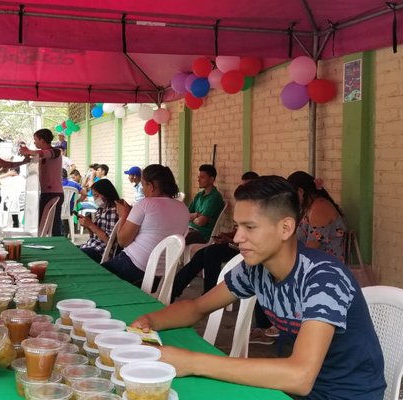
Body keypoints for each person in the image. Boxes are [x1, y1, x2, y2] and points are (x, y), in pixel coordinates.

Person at [131, 176, 385, 399]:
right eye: (238, 226)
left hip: (344, 394)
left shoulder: (323, 278)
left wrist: (192, 362)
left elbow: (300, 376)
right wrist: (149, 321)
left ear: (286, 228)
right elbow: (197, 307)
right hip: (289, 389)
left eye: (249, 227)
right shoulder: (256, 270)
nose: (238, 237)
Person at [171, 171, 258, 301]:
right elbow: (239, 230)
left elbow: (254, 237)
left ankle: (209, 294)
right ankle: (173, 290)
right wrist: (226, 236)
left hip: (249, 249)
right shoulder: (247, 206)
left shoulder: (260, 209)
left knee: (211, 254)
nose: (245, 190)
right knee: (203, 253)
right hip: (236, 244)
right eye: (243, 186)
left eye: (248, 187)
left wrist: (230, 240)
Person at [101, 164, 189, 287]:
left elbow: (122, 241)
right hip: (161, 275)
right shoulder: (183, 208)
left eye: (143, 185)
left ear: (151, 186)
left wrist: (124, 215)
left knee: (96, 276)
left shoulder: (144, 204)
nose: (142, 189)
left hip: (134, 266)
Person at [287, 171, 347, 262]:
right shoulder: (311, 206)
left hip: (325, 268)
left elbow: (312, 248)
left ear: (300, 191)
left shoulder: (319, 208)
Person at [19, 128, 64, 236]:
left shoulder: (56, 151)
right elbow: (37, 156)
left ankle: (57, 244)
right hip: (45, 193)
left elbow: (45, 153)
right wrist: (27, 154)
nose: (34, 142)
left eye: (36, 140)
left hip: (54, 193)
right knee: (42, 224)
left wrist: (29, 151)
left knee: (53, 225)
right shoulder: (40, 154)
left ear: (42, 140)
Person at [78, 179, 120, 262]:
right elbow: (93, 236)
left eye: (96, 195)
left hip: (101, 251)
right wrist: (88, 226)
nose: (94, 199)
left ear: (106, 194)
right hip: (91, 245)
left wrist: (91, 225)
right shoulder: (101, 210)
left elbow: (109, 241)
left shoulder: (113, 211)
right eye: (93, 196)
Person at [186, 164, 225, 245]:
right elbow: (185, 215)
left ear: (211, 179)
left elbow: (201, 222)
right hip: (190, 229)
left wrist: (192, 217)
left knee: (177, 240)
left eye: (202, 177)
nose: (198, 180)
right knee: (170, 234)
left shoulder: (215, 197)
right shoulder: (199, 195)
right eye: (198, 177)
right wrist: (196, 215)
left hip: (203, 234)